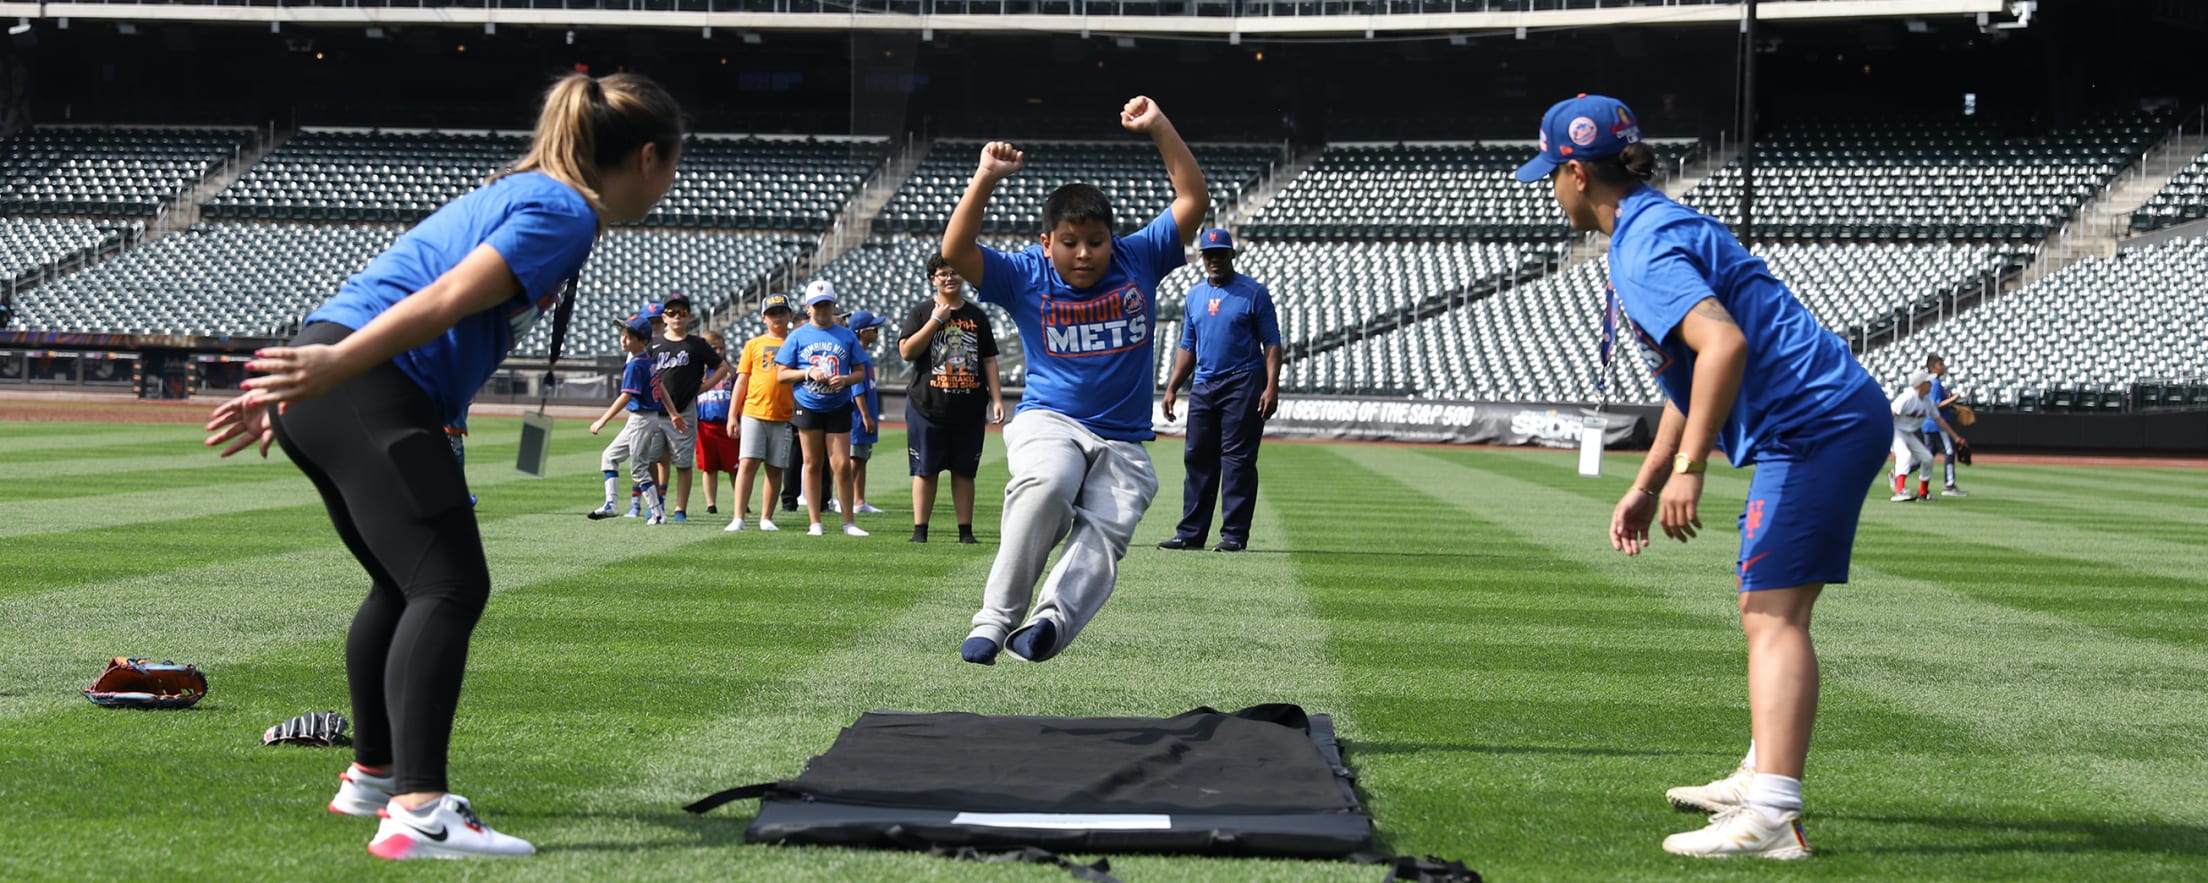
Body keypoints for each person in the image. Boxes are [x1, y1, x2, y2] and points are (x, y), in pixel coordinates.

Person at [203, 71, 682, 860]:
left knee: (404, 584)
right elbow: (451, 294)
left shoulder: (521, 187)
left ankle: (373, 778)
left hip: (335, 381)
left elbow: (398, 279)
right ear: (648, 156)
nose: (668, 185)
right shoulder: (564, 208)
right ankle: (421, 809)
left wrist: (312, 371)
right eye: (672, 169)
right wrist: (333, 368)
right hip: (360, 382)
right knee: (450, 583)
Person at [1517, 93, 1888, 859]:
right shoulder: (1650, 225)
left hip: (1813, 424)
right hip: (1823, 417)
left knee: (1770, 614)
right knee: (1772, 604)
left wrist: (1690, 470)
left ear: (1578, 174)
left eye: (1551, 175)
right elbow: (1688, 382)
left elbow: (1721, 346)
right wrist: (1649, 481)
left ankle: (1773, 816)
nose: (1551, 190)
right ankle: (1762, 773)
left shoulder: (1644, 244)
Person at [940, 95, 1206, 665]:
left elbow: (1192, 199)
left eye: (1095, 242)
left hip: (1123, 439)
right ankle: (994, 620)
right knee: (1048, 486)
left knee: (1109, 529)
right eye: (1069, 243)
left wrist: (1159, 125)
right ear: (1046, 243)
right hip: (1049, 421)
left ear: (1113, 239)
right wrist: (986, 175)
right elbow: (956, 250)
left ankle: (1049, 623)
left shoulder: (1138, 259)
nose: (1084, 255)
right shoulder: (1024, 276)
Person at [1157, 228, 1281, 553]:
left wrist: (1271, 386)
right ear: (1202, 258)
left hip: (1243, 380)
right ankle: (1190, 534)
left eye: (1220, 253)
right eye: (1209, 254)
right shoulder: (1194, 296)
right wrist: (1172, 387)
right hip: (1204, 383)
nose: (1214, 259)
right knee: (1197, 457)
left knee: (1237, 460)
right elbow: (1188, 345)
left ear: (1232, 255)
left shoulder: (1254, 293)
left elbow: (1271, 343)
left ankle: (1234, 535)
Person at [898, 253, 1006, 544]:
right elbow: (907, 352)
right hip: (927, 406)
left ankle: (965, 532)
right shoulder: (920, 312)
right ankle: (920, 531)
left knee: (965, 472)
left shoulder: (977, 316)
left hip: (969, 408)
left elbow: (989, 360)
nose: (950, 278)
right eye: (943, 273)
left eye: (955, 272)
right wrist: (936, 320)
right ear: (933, 278)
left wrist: (997, 398)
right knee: (925, 471)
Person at [774, 279, 875, 537]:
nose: (822, 310)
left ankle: (848, 522)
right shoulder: (797, 336)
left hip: (838, 404)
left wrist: (845, 379)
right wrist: (808, 372)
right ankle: (815, 522)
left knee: (841, 464)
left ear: (834, 305)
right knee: (812, 462)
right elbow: (781, 374)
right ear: (808, 307)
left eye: (827, 305)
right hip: (808, 404)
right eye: (818, 305)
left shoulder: (846, 335)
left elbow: (860, 371)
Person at [648, 291, 728, 523]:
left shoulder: (696, 344)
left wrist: (703, 387)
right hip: (656, 411)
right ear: (664, 317)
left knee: (683, 463)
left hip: (684, 410)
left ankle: (680, 508)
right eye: (671, 312)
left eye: (681, 312)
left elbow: (722, 367)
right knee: (651, 459)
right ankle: (656, 503)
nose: (676, 317)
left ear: (689, 316)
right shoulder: (654, 344)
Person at [586, 314, 671, 524]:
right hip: (642, 419)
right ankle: (611, 503)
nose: (624, 340)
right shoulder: (645, 361)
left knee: (639, 468)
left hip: (642, 419)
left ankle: (658, 512)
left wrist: (602, 420)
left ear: (643, 341)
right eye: (623, 335)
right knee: (609, 457)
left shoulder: (636, 364)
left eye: (630, 336)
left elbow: (626, 395)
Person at [727, 292, 797, 532]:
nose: (777, 318)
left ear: (789, 315)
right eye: (772, 313)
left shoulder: (796, 341)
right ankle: (738, 516)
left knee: (775, 468)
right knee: (747, 463)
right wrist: (732, 415)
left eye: (781, 312)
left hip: (783, 414)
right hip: (754, 411)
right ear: (763, 318)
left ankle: (766, 517)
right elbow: (741, 381)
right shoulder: (753, 345)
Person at [1890, 371, 1966, 502]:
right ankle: (1899, 491)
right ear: (1920, 385)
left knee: (1927, 458)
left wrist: (1956, 437)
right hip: (1895, 431)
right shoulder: (1907, 397)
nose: (1930, 384)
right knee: (1904, 455)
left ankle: (1923, 492)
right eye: (1928, 382)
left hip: (1908, 433)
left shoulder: (1927, 401)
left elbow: (1939, 420)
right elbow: (1890, 414)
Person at [843, 309, 888, 516]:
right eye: (873, 328)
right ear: (862, 332)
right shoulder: (854, 355)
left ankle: (859, 500)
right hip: (857, 418)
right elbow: (857, 390)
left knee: (862, 458)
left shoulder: (862, 355)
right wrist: (865, 416)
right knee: (855, 459)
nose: (877, 331)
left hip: (864, 416)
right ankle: (843, 498)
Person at [693, 329, 739, 515]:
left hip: (727, 424)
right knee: (709, 467)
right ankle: (711, 503)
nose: (718, 352)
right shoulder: (697, 374)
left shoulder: (730, 372)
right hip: (705, 425)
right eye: (713, 348)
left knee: (735, 467)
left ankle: (741, 501)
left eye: (721, 348)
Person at [1921, 353, 1968, 496]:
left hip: (1928, 423)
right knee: (1949, 451)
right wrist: (1955, 398)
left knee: (1926, 455)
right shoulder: (1934, 383)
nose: (1944, 367)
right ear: (1932, 368)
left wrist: (1952, 407)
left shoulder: (1931, 383)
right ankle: (1949, 485)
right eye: (1940, 365)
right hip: (1937, 424)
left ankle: (1900, 472)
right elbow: (1935, 405)